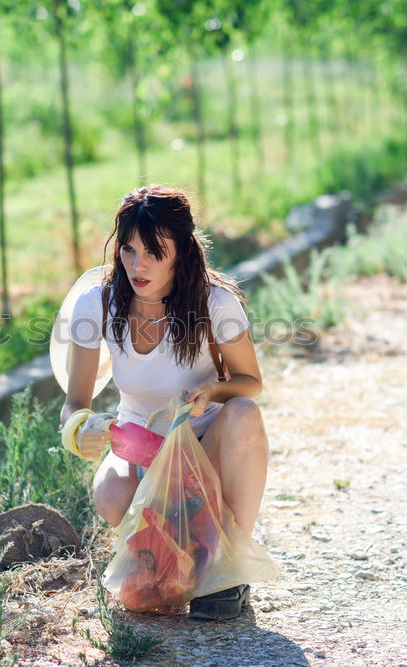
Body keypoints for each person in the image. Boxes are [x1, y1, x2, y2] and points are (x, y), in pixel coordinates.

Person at [59, 184, 270, 620]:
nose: (138, 265)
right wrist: (81, 430)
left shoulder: (216, 302)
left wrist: (214, 391)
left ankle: (229, 574)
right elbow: (73, 405)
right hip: (140, 444)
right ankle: (184, 555)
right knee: (113, 497)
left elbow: (250, 383)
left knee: (244, 414)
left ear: (181, 250)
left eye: (154, 252)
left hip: (205, 445)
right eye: (128, 250)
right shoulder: (95, 302)